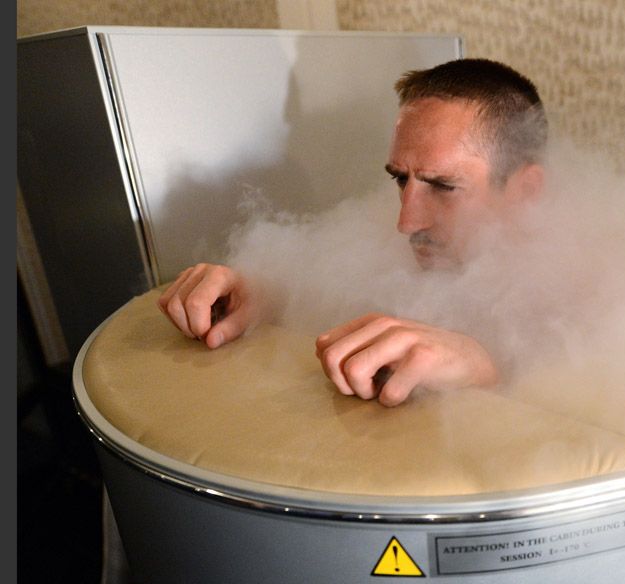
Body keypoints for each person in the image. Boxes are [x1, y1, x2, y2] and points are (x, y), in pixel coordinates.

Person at [157, 58, 548, 407]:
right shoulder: (379, 236)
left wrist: (486, 371)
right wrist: (260, 292)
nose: (406, 223)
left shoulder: (586, 281)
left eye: (444, 187)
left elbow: (590, 419)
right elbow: (329, 279)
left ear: (525, 191)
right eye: (400, 179)